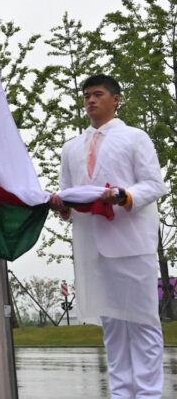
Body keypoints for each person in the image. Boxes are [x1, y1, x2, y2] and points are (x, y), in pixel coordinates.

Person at [49, 75, 166, 399]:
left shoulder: (134, 137)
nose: (90, 101)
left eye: (97, 94)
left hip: (131, 242)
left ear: (116, 99)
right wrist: (61, 204)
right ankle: (121, 392)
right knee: (112, 324)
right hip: (93, 245)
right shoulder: (71, 147)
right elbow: (69, 193)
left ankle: (148, 393)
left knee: (142, 322)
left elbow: (154, 184)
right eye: (86, 95)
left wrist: (124, 195)